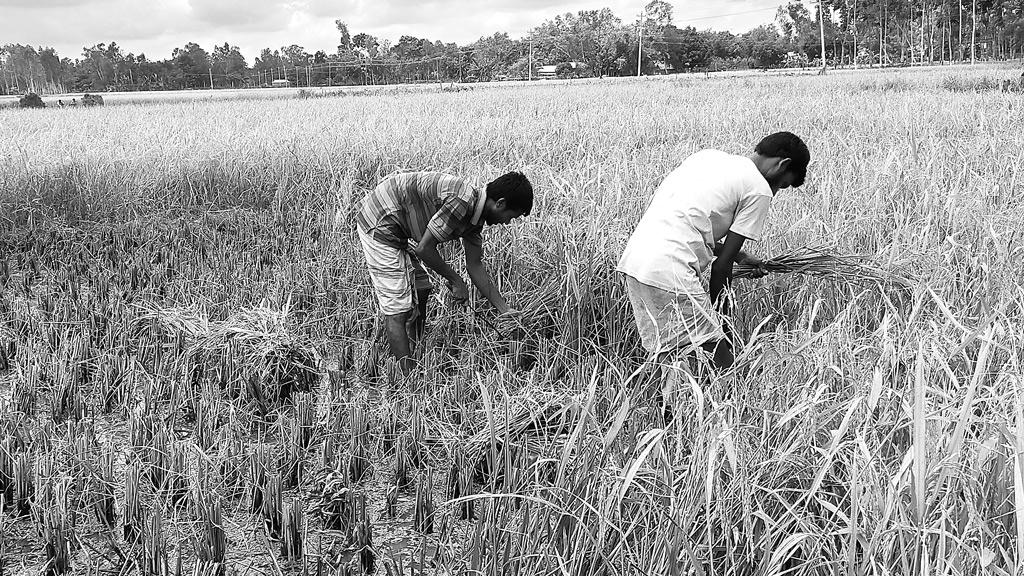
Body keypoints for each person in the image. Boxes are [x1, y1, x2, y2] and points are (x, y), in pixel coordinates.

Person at [617, 132, 810, 375]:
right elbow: (721, 269)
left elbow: (689, 224)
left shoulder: (707, 158)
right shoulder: (759, 189)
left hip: (636, 261)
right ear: (782, 165)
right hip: (671, 270)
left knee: (667, 356)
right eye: (781, 185)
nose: (775, 191)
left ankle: (659, 411)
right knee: (722, 367)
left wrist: (741, 256)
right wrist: (724, 330)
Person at [357, 171, 533, 373]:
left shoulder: (474, 221)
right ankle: (407, 379)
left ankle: (414, 346)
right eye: (511, 216)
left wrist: (505, 311)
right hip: (380, 220)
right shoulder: (462, 201)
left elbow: (475, 266)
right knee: (398, 309)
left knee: (422, 288)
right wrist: (456, 280)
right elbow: (424, 249)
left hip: (399, 224)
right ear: (500, 203)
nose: (507, 222)